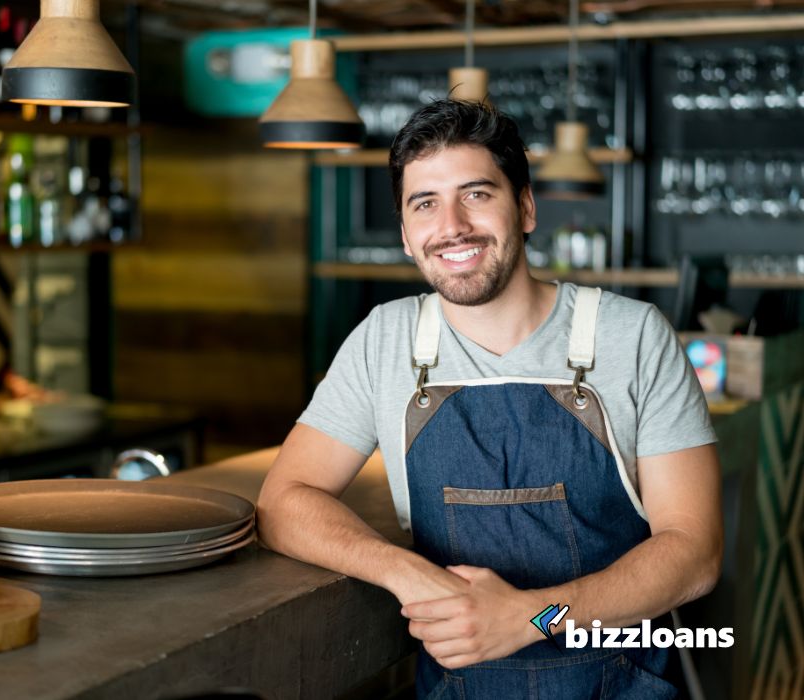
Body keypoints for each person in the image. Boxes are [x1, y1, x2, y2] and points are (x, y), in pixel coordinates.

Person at [257, 99, 722, 698]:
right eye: (425, 203)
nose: (451, 225)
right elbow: (283, 500)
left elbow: (694, 551)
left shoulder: (630, 335)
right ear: (404, 234)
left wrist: (531, 619)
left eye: (476, 194)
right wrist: (411, 577)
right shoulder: (386, 340)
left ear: (525, 207)